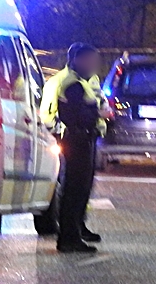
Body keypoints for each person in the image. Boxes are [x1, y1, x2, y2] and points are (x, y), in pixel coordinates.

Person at [40, 43, 107, 245]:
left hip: (83, 138)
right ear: (77, 60)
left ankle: (76, 230)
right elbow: (72, 114)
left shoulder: (85, 80)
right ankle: (69, 236)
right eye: (90, 60)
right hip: (72, 139)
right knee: (73, 189)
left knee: (80, 189)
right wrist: (96, 114)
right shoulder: (68, 82)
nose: (94, 65)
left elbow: (97, 102)